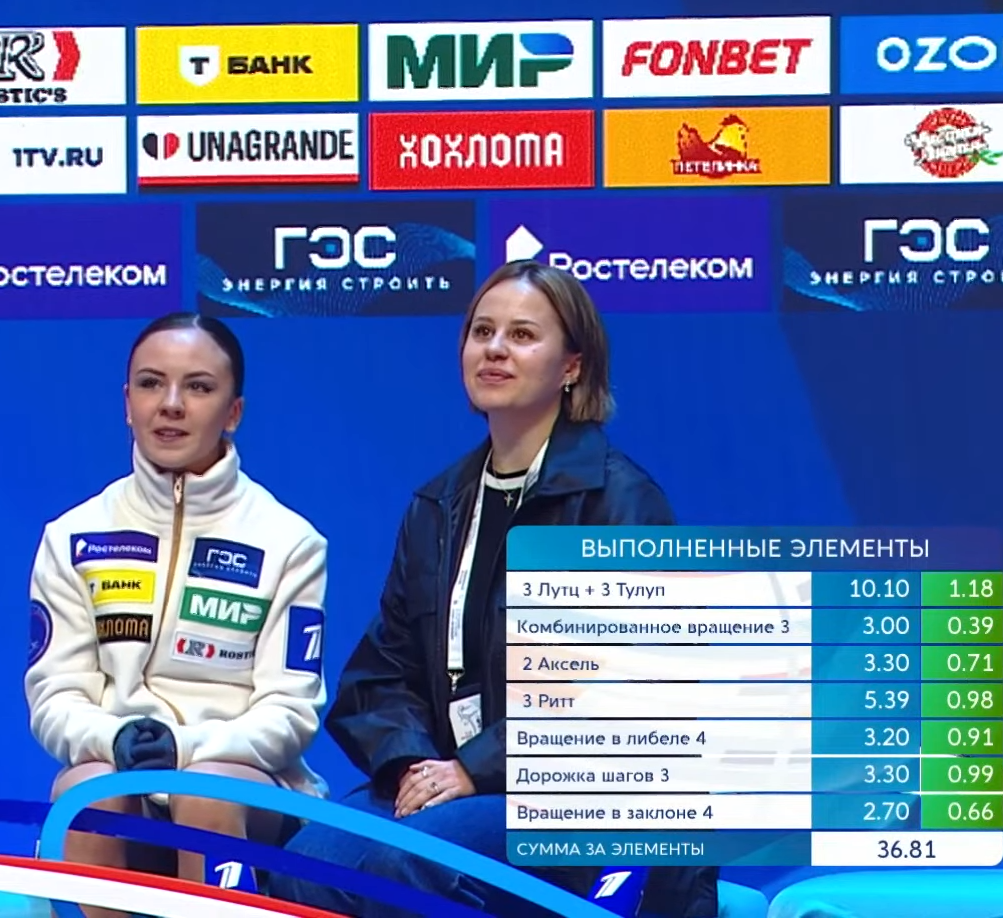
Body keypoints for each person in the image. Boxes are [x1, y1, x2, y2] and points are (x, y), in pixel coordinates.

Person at [264, 262, 721, 918]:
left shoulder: (619, 501)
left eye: (523, 335)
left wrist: (475, 769)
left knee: (410, 861)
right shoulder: (438, 504)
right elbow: (379, 675)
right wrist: (416, 765)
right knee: (309, 859)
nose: (496, 349)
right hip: (453, 778)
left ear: (572, 367)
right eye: (482, 332)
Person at [26, 313, 328, 918]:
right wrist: (115, 740)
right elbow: (55, 695)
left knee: (204, 792)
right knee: (88, 792)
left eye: (198, 387)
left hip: (243, 786)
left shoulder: (289, 541)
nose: (170, 404)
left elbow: (290, 711)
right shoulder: (73, 536)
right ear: (126, 403)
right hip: (119, 771)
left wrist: (182, 749)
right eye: (150, 383)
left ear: (233, 412)